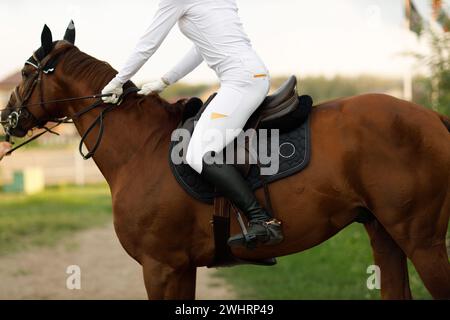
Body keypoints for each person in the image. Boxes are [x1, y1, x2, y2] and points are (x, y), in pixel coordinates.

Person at [102, 0, 283, 249]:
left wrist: (119, 81)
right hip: (248, 76)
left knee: (198, 154)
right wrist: (165, 81)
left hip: (241, 81)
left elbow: (148, 44)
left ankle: (261, 220)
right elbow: (201, 48)